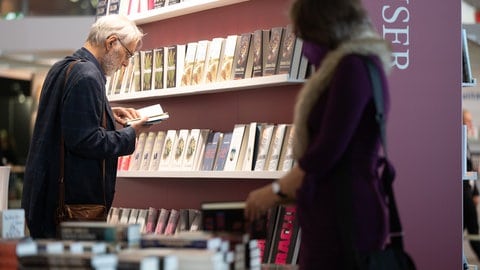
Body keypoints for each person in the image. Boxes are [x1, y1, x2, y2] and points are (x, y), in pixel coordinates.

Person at [244, 0, 392, 268]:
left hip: (345, 216)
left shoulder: (352, 67)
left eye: (304, 37)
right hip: (337, 211)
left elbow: (326, 152)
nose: (305, 50)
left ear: (323, 29)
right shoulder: (359, 65)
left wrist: (273, 192)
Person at [22, 14, 150, 239]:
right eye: (128, 54)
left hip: (45, 197)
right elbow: (85, 140)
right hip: (70, 207)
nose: (126, 63)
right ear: (111, 42)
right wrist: (131, 134)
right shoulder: (88, 76)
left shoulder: (63, 67)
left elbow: (67, 121)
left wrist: (106, 111)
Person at [463, 109, 480, 261]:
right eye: (467, 121)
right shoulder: (458, 143)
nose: (470, 124)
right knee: (473, 228)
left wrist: (476, 193)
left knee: (467, 228)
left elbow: (469, 171)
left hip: (468, 191)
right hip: (462, 193)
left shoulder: (467, 143)